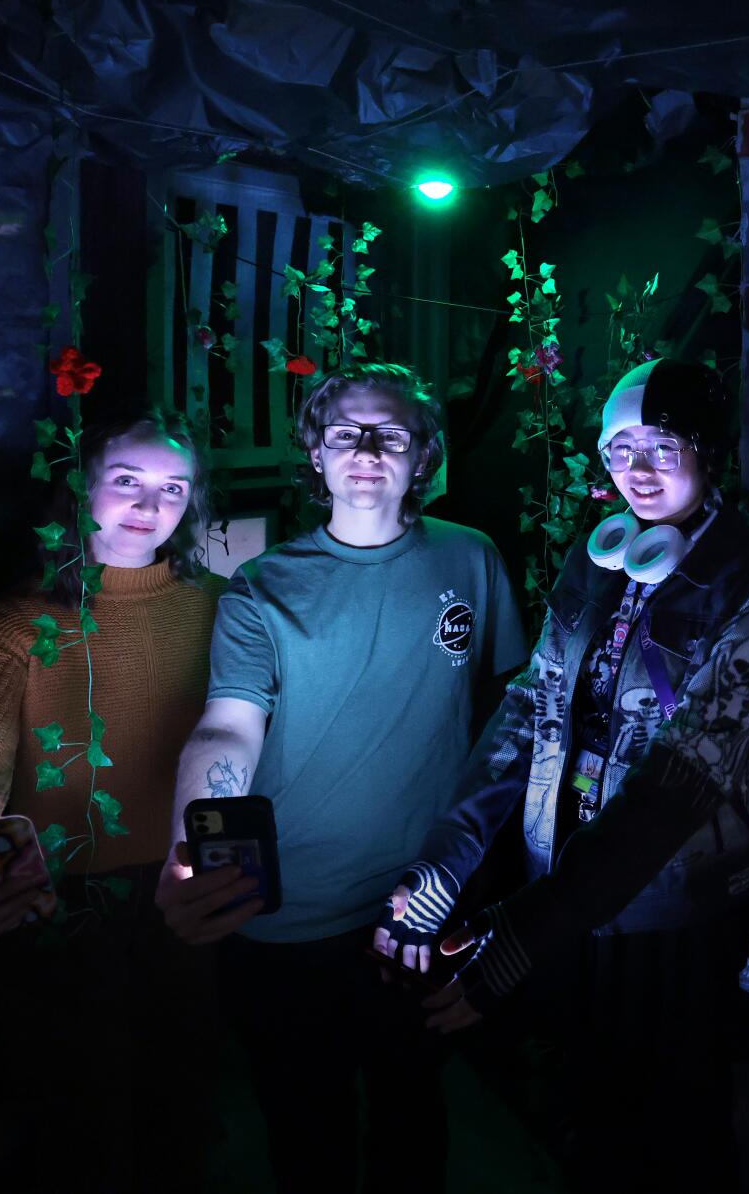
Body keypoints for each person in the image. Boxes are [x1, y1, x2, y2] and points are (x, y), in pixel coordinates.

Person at [373, 357, 749, 1194]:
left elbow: (683, 782)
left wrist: (526, 932)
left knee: (670, 1138)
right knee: (582, 1122)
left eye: (660, 446)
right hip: (561, 892)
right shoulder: (599, 555)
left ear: (706, 448)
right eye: (618, 449)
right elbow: (531, 707)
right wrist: (449, 857)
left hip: (667, 919)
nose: (635, 471)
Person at [154, 361, 525, 1194]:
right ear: (315, 456)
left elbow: (508, 723)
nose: (365, 449)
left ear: (422, 456)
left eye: (388, 433)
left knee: (412, 1126)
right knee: (305, 1139)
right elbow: (227, 728)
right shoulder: (262, 586)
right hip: (288, 921)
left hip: (420, 911)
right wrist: (198, 846)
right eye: (344, 433)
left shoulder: (472, 559)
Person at [0, 410, 223, 1192]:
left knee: (179, 1106)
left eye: (173, 488)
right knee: (76, 1120)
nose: (151, 505)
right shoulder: (17, 624)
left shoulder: (222, 607)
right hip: (58, 904)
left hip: (180, 890)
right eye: (127, 481)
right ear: (80, 488)